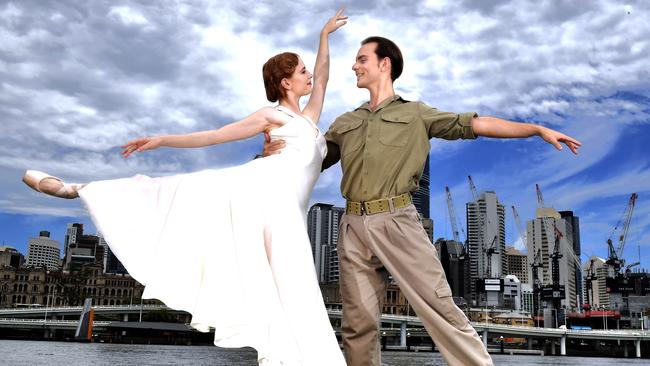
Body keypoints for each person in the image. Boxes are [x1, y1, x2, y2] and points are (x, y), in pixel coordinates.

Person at [22, 9, 348, 366]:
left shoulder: (310, 118)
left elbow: (324, 74)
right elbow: (213, 136)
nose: (309, 76)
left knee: (297, 293)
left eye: (306, 70)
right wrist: (162, 140)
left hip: (289, 212)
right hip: (262, 196)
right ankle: (77, 189)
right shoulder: (272, 116)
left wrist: (324, 35)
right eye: (301, 71)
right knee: (177, 190)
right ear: (285, 82)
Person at [263, 36, 582, 366]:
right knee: (357, 325)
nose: (354, 66)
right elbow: (307, 159)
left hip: (398, 221)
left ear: (384, 64)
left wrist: (535, 129)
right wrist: (272, 151)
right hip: (352, 227)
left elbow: (474, 124)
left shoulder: (416, 114)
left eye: (361, 59)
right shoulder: (346, 122)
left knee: (439, 306)